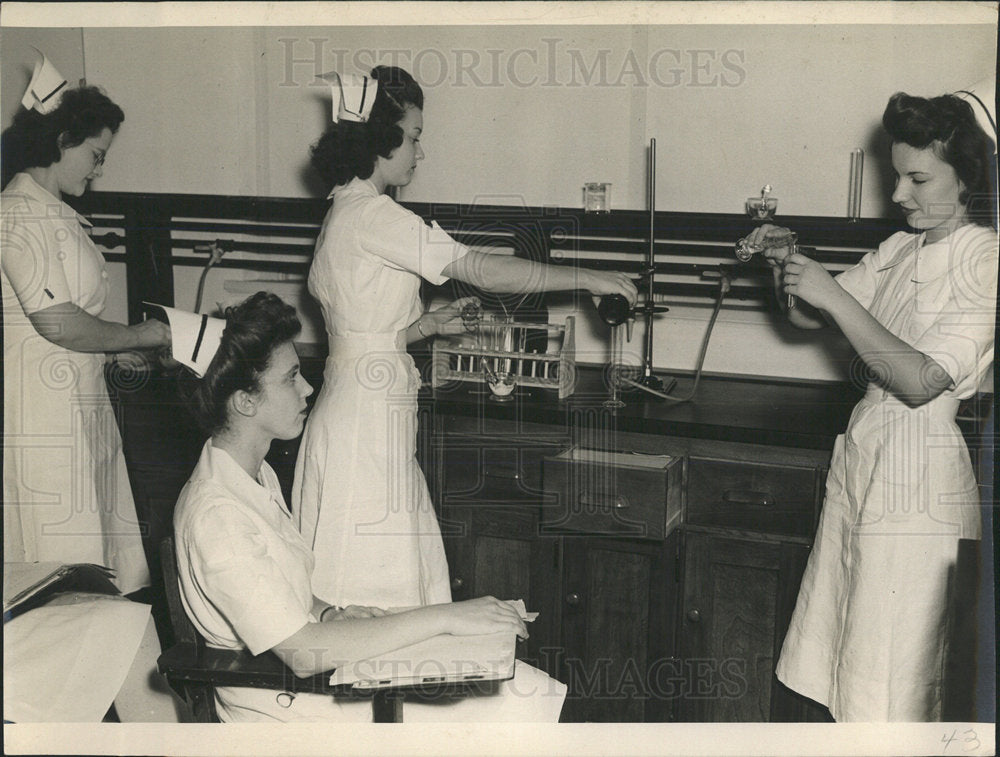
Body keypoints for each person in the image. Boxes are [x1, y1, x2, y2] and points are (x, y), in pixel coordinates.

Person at [292, 66, 638, 608]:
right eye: (414, 137)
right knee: (370, 592)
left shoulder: (342, 210)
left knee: (356, 577)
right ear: (381, 140)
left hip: (353, 409)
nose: (419, 153)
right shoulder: (379, 217)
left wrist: (425, 327)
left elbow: (360, 334)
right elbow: (484, 270)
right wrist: (589, 278)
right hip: (366, 425)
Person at [172, 292, 567, 722]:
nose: (307, 388)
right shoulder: (218, 514)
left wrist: (330, 611)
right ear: (245, 401)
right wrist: (447, 618)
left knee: (519, 687)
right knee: (517, 703)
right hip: (281, 705)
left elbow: (276, 588)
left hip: (304, 681)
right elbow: (302, 654)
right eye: (290, 378)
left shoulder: (250, 473)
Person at [749, 92, 997, 721]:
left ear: (971, 177)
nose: (898, 196)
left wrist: (829, 293)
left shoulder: (986, 258)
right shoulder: (900, 250)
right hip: (866, 458)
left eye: (918, 179)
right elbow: (810, 319)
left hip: (919, 486)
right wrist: (788, 265)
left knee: (893, 682)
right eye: (896, 177)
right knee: (842, 663)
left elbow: (919, 381)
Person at [2, 56, 170, 596]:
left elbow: (80, 322)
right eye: (96, 155)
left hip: (80, 407)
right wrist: (142, 334)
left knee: (98, 557)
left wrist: (113, 349)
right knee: (56, 565)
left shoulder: (56, 212)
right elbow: (57, 323)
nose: (99, 169)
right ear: (60, 139)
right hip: (41, 417)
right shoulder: (18, 214)